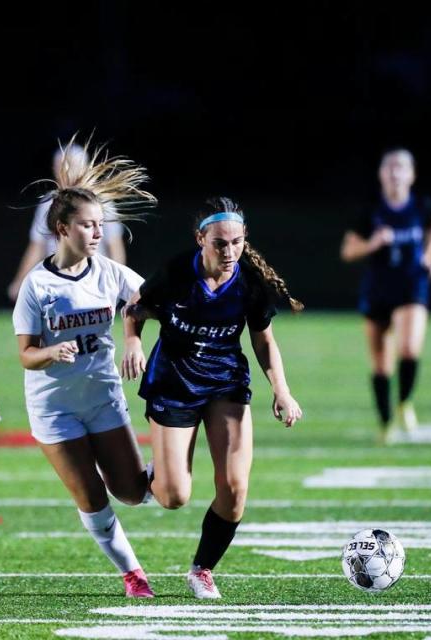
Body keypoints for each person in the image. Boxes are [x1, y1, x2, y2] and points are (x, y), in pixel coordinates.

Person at [121, 196, 303, 599]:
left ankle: (202, 569)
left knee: (235, 489)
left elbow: (263, 339)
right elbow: (134, 311)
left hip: (225, 382)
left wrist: (281, 390)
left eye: (237, 242)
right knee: (172, 497)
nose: (230, 251)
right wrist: (132, 344)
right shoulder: (175, 274)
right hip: (174, 382)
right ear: (201, 238)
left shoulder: (249, 281)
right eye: (220, 243)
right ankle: (156, 473)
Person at [12, 141, 157, 598]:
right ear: (61, 228)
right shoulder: (38, 285)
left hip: (101, 399)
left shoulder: (109, 272)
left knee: (133, 493)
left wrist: (132, 337)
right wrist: (50, 353)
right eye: (87, 225)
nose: (97, 233)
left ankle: (168, 468)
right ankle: (133, 575)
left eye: (100, 225)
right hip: (54, 409)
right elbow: (25, 353)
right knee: (92, 498)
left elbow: (148, 301)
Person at [340, 148, 431, 444]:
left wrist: (428, 257)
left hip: (412, 285)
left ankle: (404, 403)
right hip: (378, 288)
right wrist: (372, 243)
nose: (395, 172)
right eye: (389, 167)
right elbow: (348, 250)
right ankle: (386, 422)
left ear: (411, 175)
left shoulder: (421, 205)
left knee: (409, 349)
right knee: (380, 364)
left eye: (401, 167)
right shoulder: (371, 209)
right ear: (381, 174)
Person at [7, 143, 127, 301]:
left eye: (69, 165)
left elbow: (114, 244)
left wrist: (118, 283)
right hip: (55, 282)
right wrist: (20, 281)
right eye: (59, 166)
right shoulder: (48, 203)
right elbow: (37, 245)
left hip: (91, 282)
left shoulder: (101, 202)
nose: (63, 171)